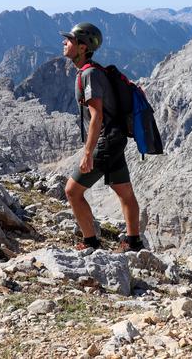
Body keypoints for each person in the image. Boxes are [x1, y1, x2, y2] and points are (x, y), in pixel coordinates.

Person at [61, 23, 144, 252]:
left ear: (82, 47)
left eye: (69, 40)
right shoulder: (92, 70)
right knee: (124, 190)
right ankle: (133, 242)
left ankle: (90, 244)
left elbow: (96, 115)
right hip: (115, 138)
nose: (64, 43)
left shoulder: (89, 74)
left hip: (107, 140)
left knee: (72, 191)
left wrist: (88, 153)